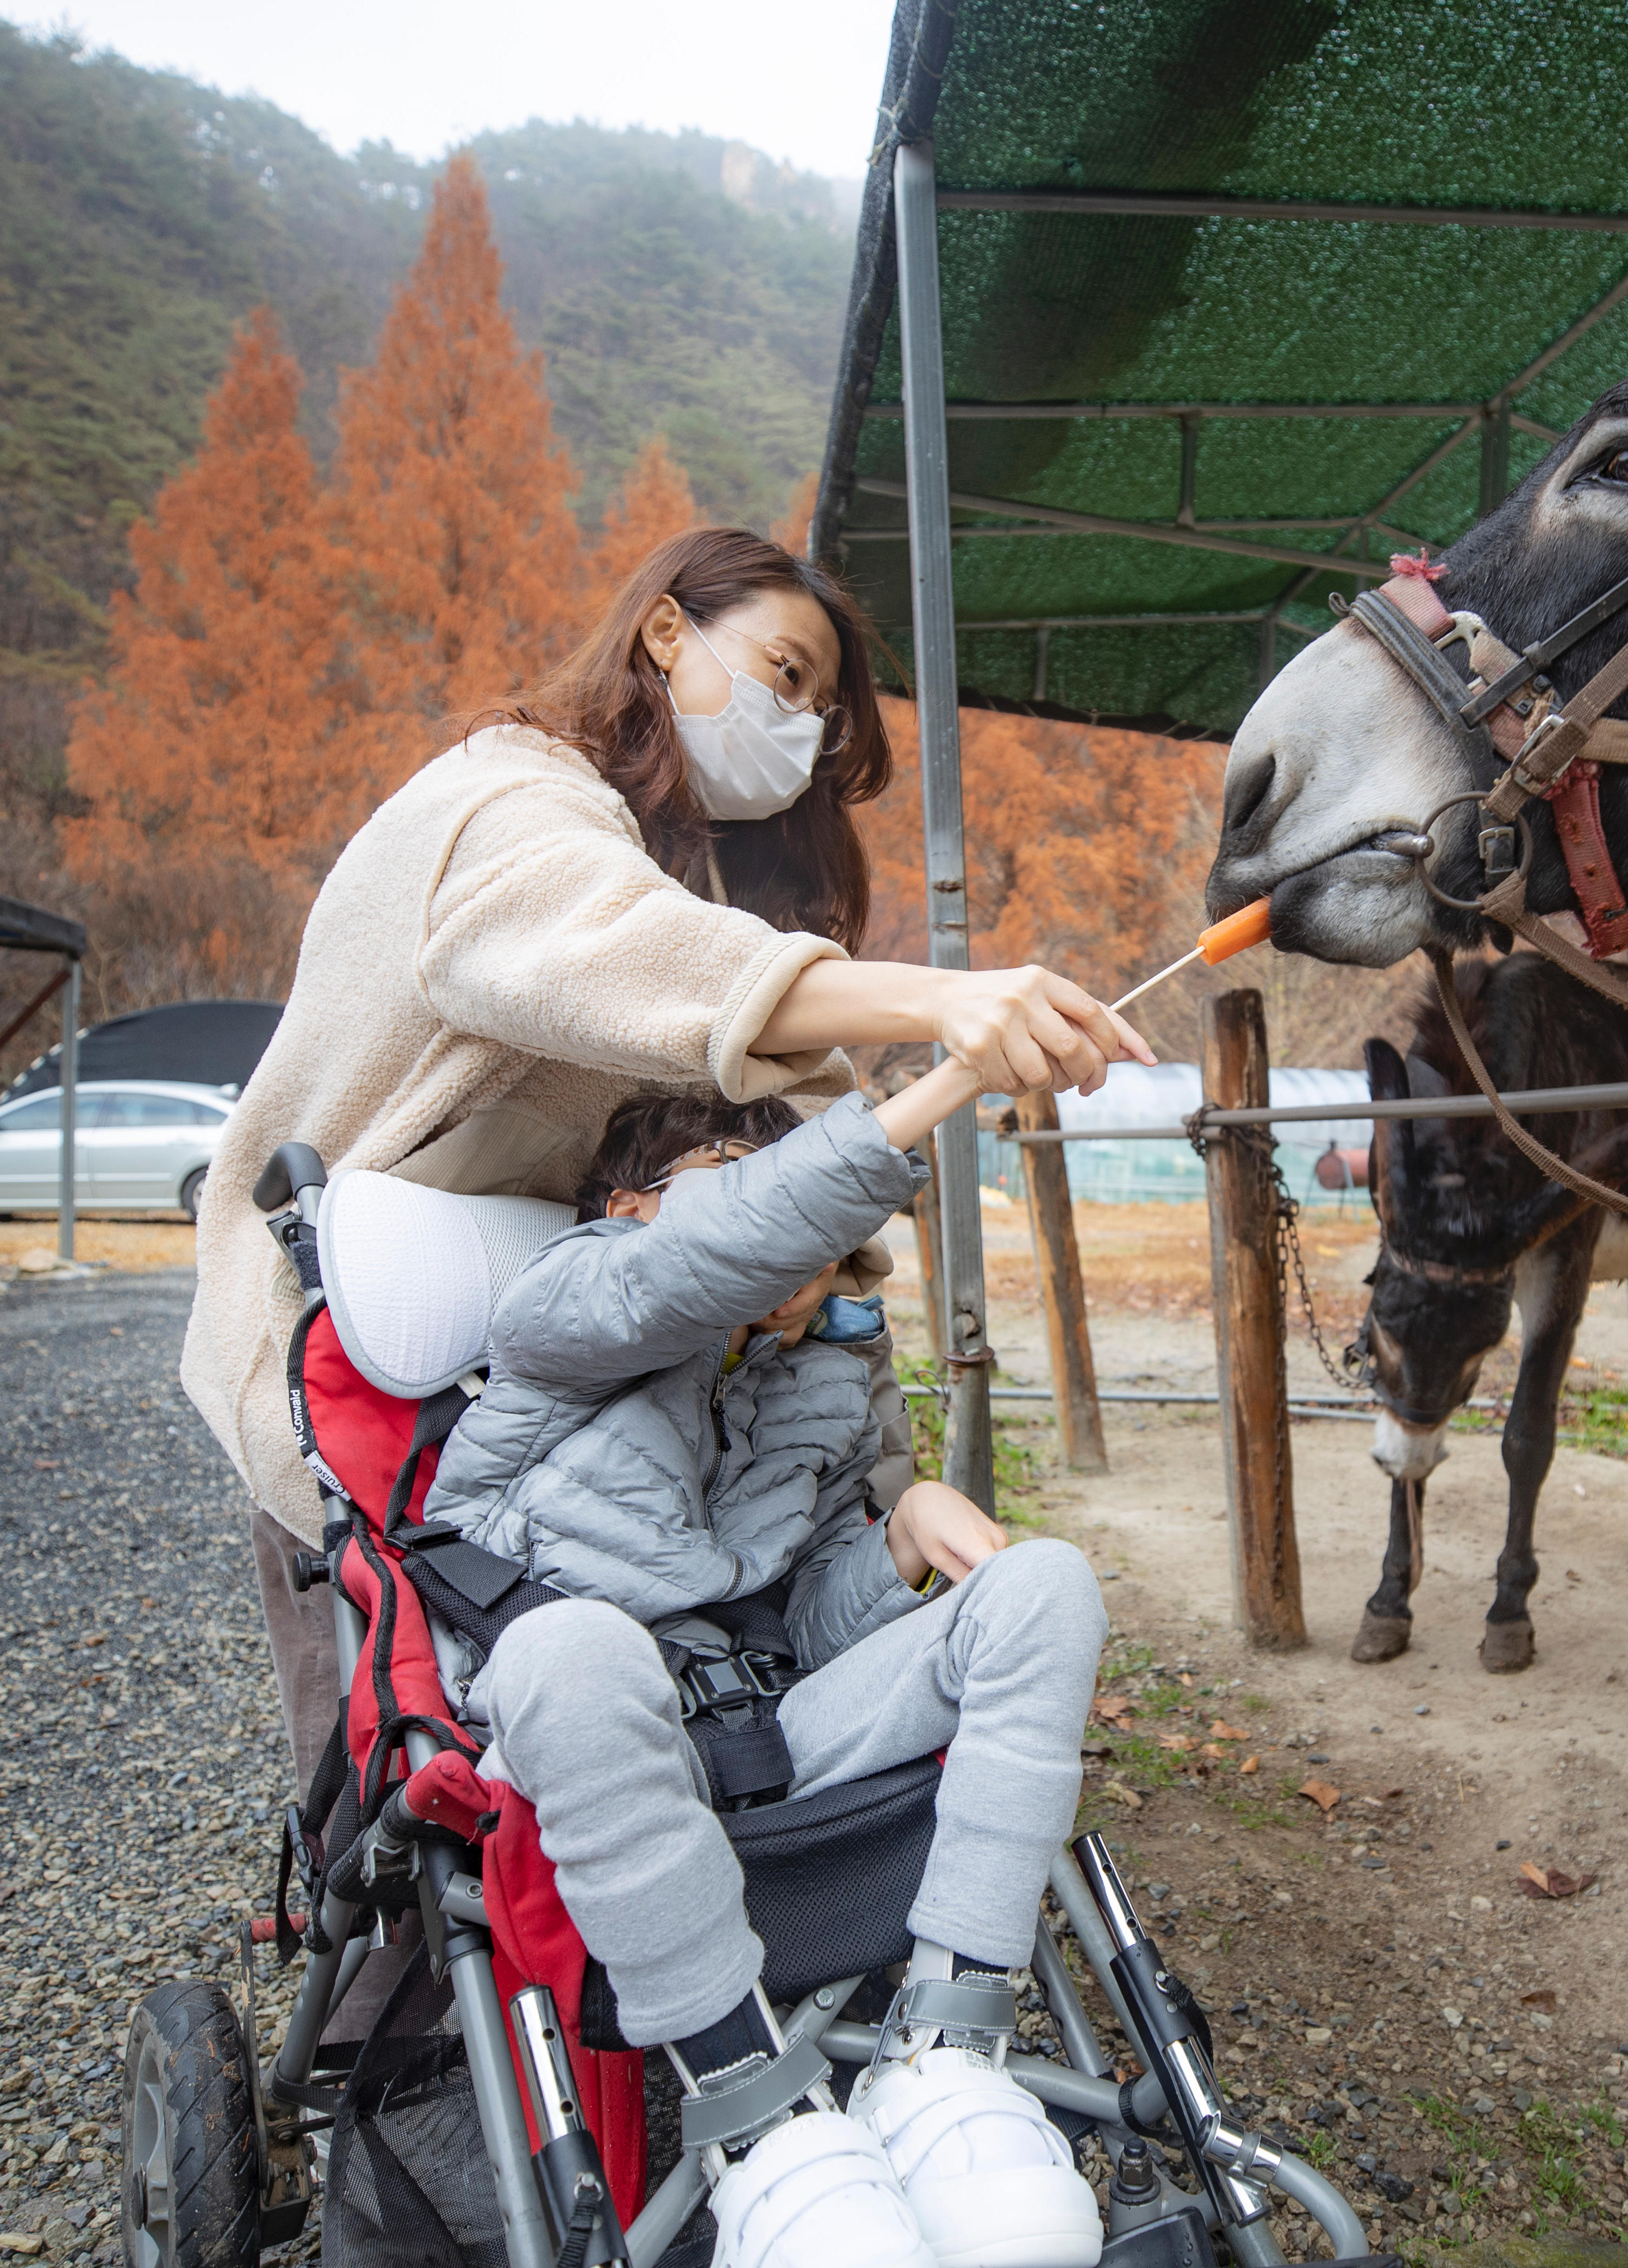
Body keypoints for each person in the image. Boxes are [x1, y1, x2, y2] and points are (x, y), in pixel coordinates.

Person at [184, 526, 1149, 1802]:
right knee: (407, 1768)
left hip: (551, 1354)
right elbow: (630, 958)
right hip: (352, 1344)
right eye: (786, 673)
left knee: (595, 1744)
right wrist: (945, 1004)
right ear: (664, 631)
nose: (796, 724)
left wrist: (913, 1116)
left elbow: (783, 1098)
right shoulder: (509, 804)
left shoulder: (679, 873)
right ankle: (387, 1996)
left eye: (817, 705)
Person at [419, 1062, 1106, 2268]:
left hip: (771, 1719)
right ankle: (759, 2128)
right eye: (727, 1190)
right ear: (622, 1206)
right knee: (569, 1643)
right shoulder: (571, 1301)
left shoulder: (830, 1366)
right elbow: (693, 1267)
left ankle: (945, 2056)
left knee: (1045, 1586)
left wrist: (894, 1537)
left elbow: (815, 1624)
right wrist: (940, 1077)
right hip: (588, 1729)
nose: (776, 1237)